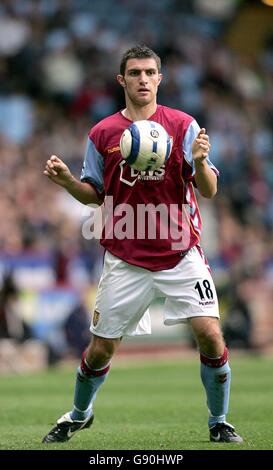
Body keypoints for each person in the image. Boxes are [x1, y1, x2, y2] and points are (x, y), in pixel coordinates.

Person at [42, 45, 243, 444]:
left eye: (150, 72)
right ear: (122, 80)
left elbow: (210, 190)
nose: (143, 79)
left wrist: (201, 162)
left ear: (160, 78)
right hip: (125, 258)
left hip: (181, 253)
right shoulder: (102, 133)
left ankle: (219, 421)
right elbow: (94, 194)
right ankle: (80, 413)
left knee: (210, 334)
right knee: (100, 350)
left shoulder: (183, 125)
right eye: (135, 73)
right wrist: (67, 181)